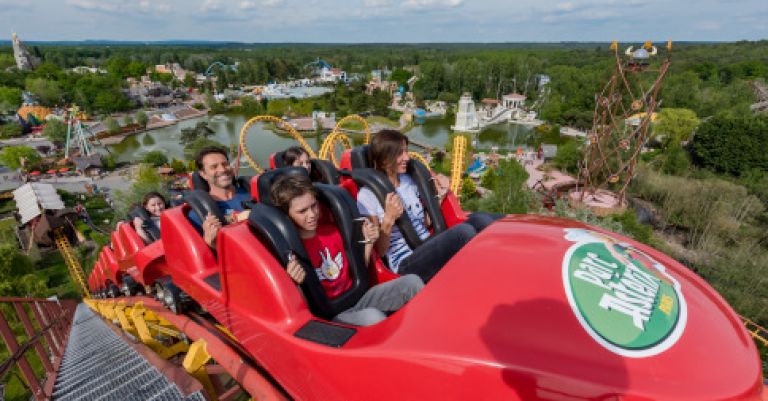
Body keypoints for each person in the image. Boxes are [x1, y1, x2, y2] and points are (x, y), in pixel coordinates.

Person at [272, 174, 423, 326]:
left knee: (413, 282)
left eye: (313, 206)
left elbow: (358, 271)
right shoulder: (294, 252)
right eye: (302, 211)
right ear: (288, 215)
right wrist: (294, 283)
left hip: (358, 298)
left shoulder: (333, 232)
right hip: (332, 316)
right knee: (373, 317)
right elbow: (302, 310)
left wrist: (368, 242)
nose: (312, 215)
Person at [357, 130, 499, 283]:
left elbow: (425, 222)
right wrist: (389, 219)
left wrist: (441, 194)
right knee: (463, 233)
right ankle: (475, 278)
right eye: (400, 153)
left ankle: (490, 269)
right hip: (405, 262)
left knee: (481, 220)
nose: (407, 157)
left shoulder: (408, 181)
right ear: (385, 159)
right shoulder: (368, 195)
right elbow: (380, 251)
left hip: (426, 244)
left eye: (406, 151)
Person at [188, 147, 252, 248]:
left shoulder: (250, 191)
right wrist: (210, 243)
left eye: (225, 164)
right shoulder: (199, 213)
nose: (222, 169)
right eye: (214, 167)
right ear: (203, 174)